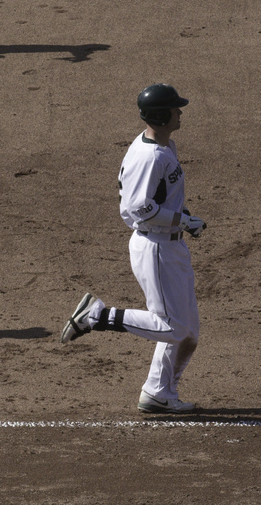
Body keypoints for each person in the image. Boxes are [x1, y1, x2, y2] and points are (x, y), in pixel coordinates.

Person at [60, 84, 207, 414]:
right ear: (161, 115)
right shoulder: (150, 157)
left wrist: (180, 216)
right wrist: (181, 221)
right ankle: (97, 316)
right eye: (175, 108)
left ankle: (159, 391)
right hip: (155, 249)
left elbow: (157, 199)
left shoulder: (164, 147)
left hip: (170, 246)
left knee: (188, 333)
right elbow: (137, 209)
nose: (180, 112)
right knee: (172, 327)